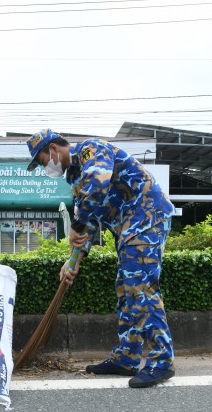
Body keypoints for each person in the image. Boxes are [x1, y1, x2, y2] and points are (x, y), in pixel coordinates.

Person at [26, 128, 176, 388]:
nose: (44, 167)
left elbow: (99, 184)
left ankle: (162, 360)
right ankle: (127, 357)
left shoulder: (90, 150)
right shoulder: (73, 177)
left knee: (139, 286)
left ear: (52, 150)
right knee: (125, 287)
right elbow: (89, 223)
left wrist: (77, 223)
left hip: (146, 215)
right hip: (128, 225)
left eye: (42, 161)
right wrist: (72, 261)